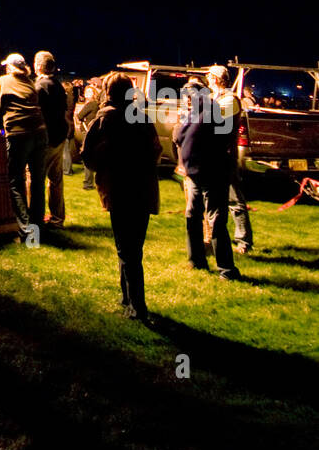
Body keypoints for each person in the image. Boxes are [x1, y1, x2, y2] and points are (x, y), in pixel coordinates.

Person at [81, 72, 161, 320]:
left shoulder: (104, 119)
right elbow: (156, 150)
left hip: (119, 189)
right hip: (143, 188)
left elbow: (87, 154)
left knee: (127, 249)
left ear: (109, 92)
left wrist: (104, 164)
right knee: (131, 247)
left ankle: (138, 306)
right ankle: (127, 296)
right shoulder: (143, 119)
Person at [172, 77, 241, 280]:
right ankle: (199, 261)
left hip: (210, 173)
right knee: (195, 216)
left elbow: (179, 136)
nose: (187, 101)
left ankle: (224, 269)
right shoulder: (201, 113)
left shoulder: (206, 114)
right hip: (199, 174)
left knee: (213, 219)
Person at [0, 52, 48, 245]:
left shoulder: (3, 81)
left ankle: (27, 231)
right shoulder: (30, 82)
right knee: (38, 182)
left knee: (16, 181)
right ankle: (37, 228)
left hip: (18, 133)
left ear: (9, 67)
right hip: (40, 132)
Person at [207, 64, 253, 256]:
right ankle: (210, 239)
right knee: (210, 202)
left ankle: (243, 240)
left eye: (209, 77)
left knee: (234, 199)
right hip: (212, 155)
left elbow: (210, 118)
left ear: (216, 79)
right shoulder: (214, 98)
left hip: (225, 156)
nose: (207, 80)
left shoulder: (230, 100)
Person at [34, 50, 69, 228]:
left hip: (46, 138)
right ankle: (57, 218)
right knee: (56, 179)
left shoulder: (40, 87)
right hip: (59, 136)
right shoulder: (57, 85)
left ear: (38, 66)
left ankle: (35, 217)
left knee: (35, 178)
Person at [74, 78, 102, 190]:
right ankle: (91, 182)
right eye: (86, 92)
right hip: (92, 131)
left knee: (87, 156)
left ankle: (88, 183)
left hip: (88, 131)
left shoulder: (91, 104)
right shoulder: (96, 104)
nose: (87, 94)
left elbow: (79, 116)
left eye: (90, 92)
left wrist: (80, 118)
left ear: (94, 93)